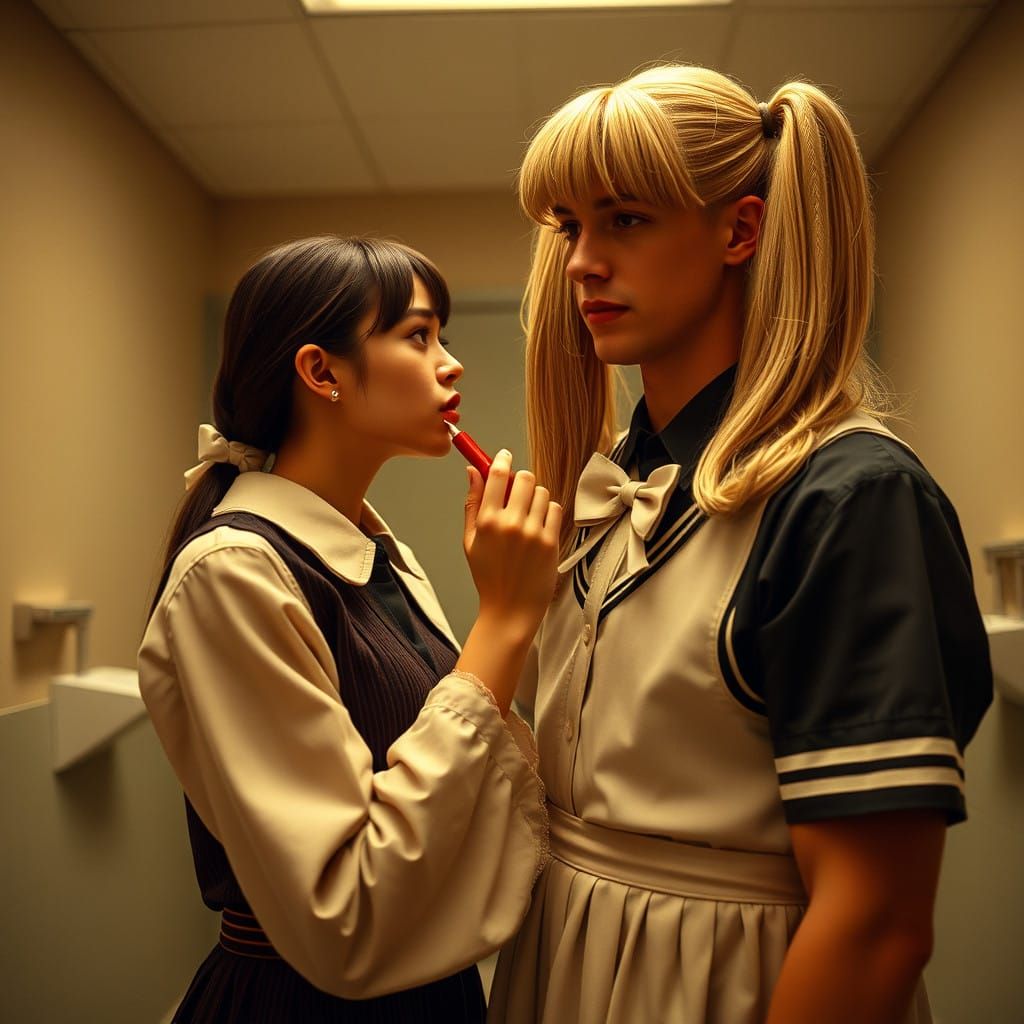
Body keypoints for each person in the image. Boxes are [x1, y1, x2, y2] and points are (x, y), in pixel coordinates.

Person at [486, 65, 993, 1024]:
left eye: (624, 219)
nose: (582, 260)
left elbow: (877, 923)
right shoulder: (616, 491)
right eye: (568, 227)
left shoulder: (849, 498)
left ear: (740, 231)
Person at [138, 235, 561, 1022]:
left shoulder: (373, 551)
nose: (451, 362)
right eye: (417, 335)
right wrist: (504, 616)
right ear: (320, 371)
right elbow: (347, 913)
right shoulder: (233, 574)